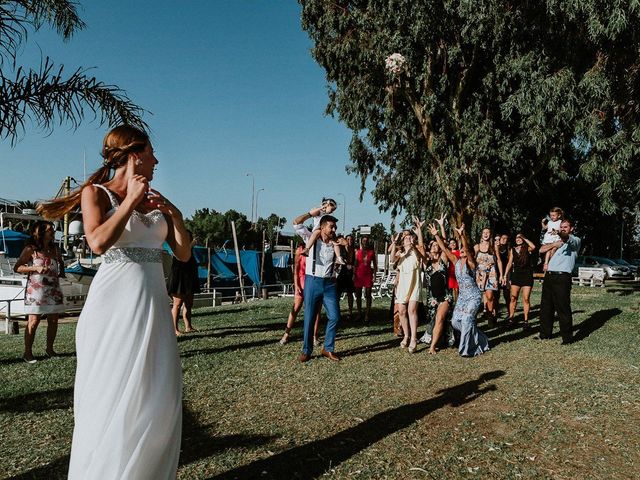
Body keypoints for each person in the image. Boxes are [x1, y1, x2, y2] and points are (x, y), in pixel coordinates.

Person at [38, 125, 191, 478]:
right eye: (151, 153)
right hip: (114, 309)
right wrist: (132, 203)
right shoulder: (97, 194)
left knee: (157, 398)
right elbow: (97, 242)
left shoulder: (155, 199)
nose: (156, 161)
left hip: (153, 305)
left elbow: (182, 252)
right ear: (135, 155)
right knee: (113, 396)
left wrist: (175, 215)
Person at [293, 208, 344, 362]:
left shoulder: (335, 242)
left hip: (329, 284)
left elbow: (339, 260)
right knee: (309, 317)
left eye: (335, 227)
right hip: (312, 281)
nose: (334, 229)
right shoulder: (311, 236)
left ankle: (327, 348)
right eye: (331, 226)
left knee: (335, 316)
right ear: (322, 227)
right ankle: (306, 350)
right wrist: (310, 214)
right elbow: (296, 224)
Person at [431, 223, 489, 357]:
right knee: (455, 321)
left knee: (467, 319)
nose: (462, 249)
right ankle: (481, 339)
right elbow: (445, 249)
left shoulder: (471, 263)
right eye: (461, 248)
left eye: (464, 248)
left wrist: (462, 235)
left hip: (474, 296)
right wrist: (436, 235)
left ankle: (465, 350)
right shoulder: (455, 261)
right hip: (462, 297)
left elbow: (468, 250)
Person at [13, 221, 66, 363]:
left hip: (53, 289)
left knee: (53, 320)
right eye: (50, 230)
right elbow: (17, 267)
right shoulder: (31, 249)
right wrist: (34, 268)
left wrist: (62, 272)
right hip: (36, 291)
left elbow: (60, 262)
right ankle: (27, 353)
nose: (53, 231)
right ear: (40, 232)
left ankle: (50, 350)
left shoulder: (55, 249)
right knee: (34, 321)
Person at [538, 218, 581, 344]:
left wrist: (559, 232)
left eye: (565, 227)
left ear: (571, 229)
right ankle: (545, 334)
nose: (563, 229)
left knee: (563, 307)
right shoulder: (556, 242)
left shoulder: (575, 241)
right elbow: (541, 249)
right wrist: (554, 244)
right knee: (546, 307)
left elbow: (565, 236)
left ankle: (567, 338)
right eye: (561, 227)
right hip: (549, 276)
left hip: (562, 277)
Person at [390, 218, 427, 353]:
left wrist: (419, 232)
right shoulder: (401, 254)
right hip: (402, 286)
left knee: (412, 310)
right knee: (402, 311)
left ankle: (413, 339)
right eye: (405, 238)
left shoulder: (416, 252)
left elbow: (423, 253)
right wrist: (394, 244)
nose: (408, 239)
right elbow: (392, 259)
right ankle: (406, 335)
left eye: (410, 237)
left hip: (414, 284)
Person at [419, 228, 454, 354]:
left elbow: (444, 246)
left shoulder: (443, 260)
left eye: (436, 245)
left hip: (445, 297)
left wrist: (437, 234)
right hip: (432, 299)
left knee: (440, 317)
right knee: (435, 321)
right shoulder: (426, 263)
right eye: (432, 245)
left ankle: (432, 347)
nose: (435, 246)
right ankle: (440, 340)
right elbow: (421, 247)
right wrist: (419, 231)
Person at [279, 243, 321, 345]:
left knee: (316, 311)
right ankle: (286, 334)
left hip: (314, 284)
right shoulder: (300, 250)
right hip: (302, 284)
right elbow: (296, 271)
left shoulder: (317, 249)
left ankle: (314, 336)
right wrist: (297, 285)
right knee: (296, 308)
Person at [167, 230, 201, 336]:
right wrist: (191, 244)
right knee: (177, 304)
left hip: (189, 278)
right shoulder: (177, 248)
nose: (188, 239)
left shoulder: (190, 249)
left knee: (189, 303)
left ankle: (188, 326)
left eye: (189, 237)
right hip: (179, 279)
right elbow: (181, 256)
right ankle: (175, 329)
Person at [505, 233, 536, 329]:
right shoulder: (512, 249)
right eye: (517, 238)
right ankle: (511, 319)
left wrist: (524, 237)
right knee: (513, 298)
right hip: (516, 275)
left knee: (526, 299)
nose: (518, 239)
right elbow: (510, 262)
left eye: (520, 238)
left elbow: (533, 246)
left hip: (527, 275)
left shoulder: (527, 248)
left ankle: (526, 321)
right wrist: (505, 275)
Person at [301, 198, 345, 264]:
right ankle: (307, 249)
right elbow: (311, 213)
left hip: (325, 231)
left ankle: (338, 257)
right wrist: (321, 208)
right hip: (318, 230)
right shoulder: (319, 211)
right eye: (332, 209)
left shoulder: (328, 215)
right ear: (326, 205)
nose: (332, 212)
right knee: (316, 233)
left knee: (335, 241)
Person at [474, 227, 502, 327]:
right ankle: (474, 317)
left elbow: (498, 260)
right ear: (481, 234)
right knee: (477, 297)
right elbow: (472, 261)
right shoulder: (477, 247)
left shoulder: (494, 246)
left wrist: (502, 275)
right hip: (480, 274)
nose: (486, 234)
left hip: (491, 273)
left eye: (488, 233)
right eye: (484, 232)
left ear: (490, 235)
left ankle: (490, 316)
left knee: (490, 296)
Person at [353, 235, 377, 322]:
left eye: (366, 241)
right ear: (361, 242)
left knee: (368, 295)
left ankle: (367, 314)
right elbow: (355, 264)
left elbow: (375, 265)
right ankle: (359, 313)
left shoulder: (372, 252)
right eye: (363, 241)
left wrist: (374, 276)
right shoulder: (357, 252)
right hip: (359, 275)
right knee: (358, 295)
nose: (365, 242)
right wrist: (353, 274)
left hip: (368, 274)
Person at [336, 234, 355, 321]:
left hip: (351, 273)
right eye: (348, 239)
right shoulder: (341, 249)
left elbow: (352, 261)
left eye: (351, 239)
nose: (349, 241)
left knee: (350, 293)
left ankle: (350, 312)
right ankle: (337, 312)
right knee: (337, 293)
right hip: (343, 272)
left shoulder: (354, 250)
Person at [541, 207, 564, 272]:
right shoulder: (549, 222)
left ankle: (552, 261)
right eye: (551, 215)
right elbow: (545, 228)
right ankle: (546, 263)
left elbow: (560, 229)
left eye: (554, 215)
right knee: (548, 250)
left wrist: (557, 231)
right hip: (549, 238)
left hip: (555, 237)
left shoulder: (560, 222)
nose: (552, 217)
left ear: (558, 215)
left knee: (554, 249)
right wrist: (542, 223)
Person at [495, 233, 511, 318]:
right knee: (496, 294)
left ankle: (510, 313)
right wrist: (501, 275)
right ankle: (495, 313)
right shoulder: (496, 247)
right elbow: (498, 260)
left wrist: (505, 275)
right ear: (500, 239)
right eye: (503, 238)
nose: (504, 240)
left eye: (506, 238)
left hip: (506, 272)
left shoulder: (509, 249)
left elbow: (509, 262)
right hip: (496, 272)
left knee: (507, 294)